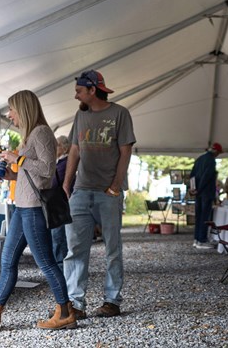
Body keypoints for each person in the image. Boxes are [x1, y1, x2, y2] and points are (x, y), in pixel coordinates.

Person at [0, 90, 77, 331]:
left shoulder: (42, 133)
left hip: (33, 209)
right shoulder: (30, 135)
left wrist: (18, 159)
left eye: (12, 109)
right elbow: (28, 174)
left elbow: (47, 169)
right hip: (23, 207)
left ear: (23, 109)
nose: (9, 114)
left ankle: (65, 312)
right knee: (8, 260)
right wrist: (9, 173)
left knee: (45, 262)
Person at [62, 70, 136, 319]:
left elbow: (125, 152)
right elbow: (74, 150)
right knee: (75, 248)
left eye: (79, 91)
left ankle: (112, 301)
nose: (76, 96)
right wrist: (66, 182)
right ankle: (75, 303)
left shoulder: (119, 114)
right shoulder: (80, 115)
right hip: (81, 190)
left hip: (108, 192)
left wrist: (116, 185)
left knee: (112, 248)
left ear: (93, 90)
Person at [189, 142, 223, 249]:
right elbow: (207, 176)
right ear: (216, 151)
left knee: (198, 216)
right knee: (205, 217)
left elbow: (192, 175)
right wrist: (199, 189)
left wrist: (192, 188)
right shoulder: (211, 160)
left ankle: (196, 239)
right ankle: (202, 240)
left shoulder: (199, 159)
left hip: (197, 193)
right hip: (206, 192)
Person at [51, 135, 71, 269]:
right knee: (57, 235)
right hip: (58, 202)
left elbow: (53, 182)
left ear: (64, 148)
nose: (54, 148)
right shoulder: (60, 162)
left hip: (61, 203)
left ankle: (60, 265)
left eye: (57, 145)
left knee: (58, 235)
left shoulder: (65, 163)